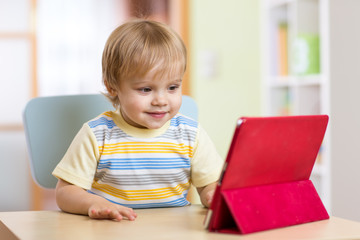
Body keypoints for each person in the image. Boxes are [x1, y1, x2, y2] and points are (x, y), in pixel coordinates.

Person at [52, 19, 223, 222]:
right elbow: (65, 192)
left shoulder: (190, 133)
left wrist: (212, 195)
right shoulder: (97, 134)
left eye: (172, 87)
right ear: (113, 86)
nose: (161, 100)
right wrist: (94, 203)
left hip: (175, 230)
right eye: (146, 89)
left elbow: (209, 184)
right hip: (114, 228)